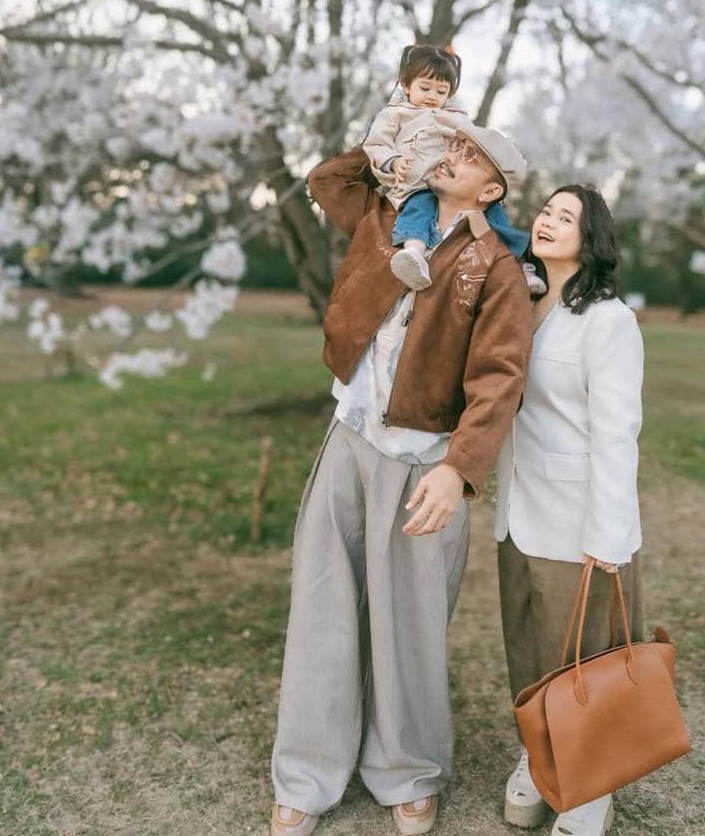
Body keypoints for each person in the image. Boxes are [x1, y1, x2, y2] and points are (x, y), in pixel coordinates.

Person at [270, 124, 534, 836]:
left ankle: (406, 769)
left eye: (470, 155)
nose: (453, 154)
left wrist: (460, 470)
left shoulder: (497, 267)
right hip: (350, 434)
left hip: (426, 460)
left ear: (492, 189)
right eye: (453, 145)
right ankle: (306, 774)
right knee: (322, 604)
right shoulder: (386, 213)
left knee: (410, 621)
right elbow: (327, 181)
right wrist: (393, 135)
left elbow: (500, 379)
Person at [494, 185, 645, 836]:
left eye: (566, 217)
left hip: (578, 519)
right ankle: (539, 758)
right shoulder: (520, 301)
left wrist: (609, 535)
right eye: (546, 211)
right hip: (515, 510)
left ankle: (589, 786)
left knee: (581, 658)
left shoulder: (609, 320)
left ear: (592, 239)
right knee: (527, 648)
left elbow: (617, 433)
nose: (548, 221)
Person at [363, 44, 541, 293]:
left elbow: (477, 142)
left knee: (497, 215)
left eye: (441, 91)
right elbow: (376, 144)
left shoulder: (456, 116)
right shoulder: (396, 114)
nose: (432, 96)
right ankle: (414, 253)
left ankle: (520, 266)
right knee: (419, 210)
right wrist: (393, 161)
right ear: (406, 85)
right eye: (425, 88)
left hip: (450, 182)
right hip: (418, 183)